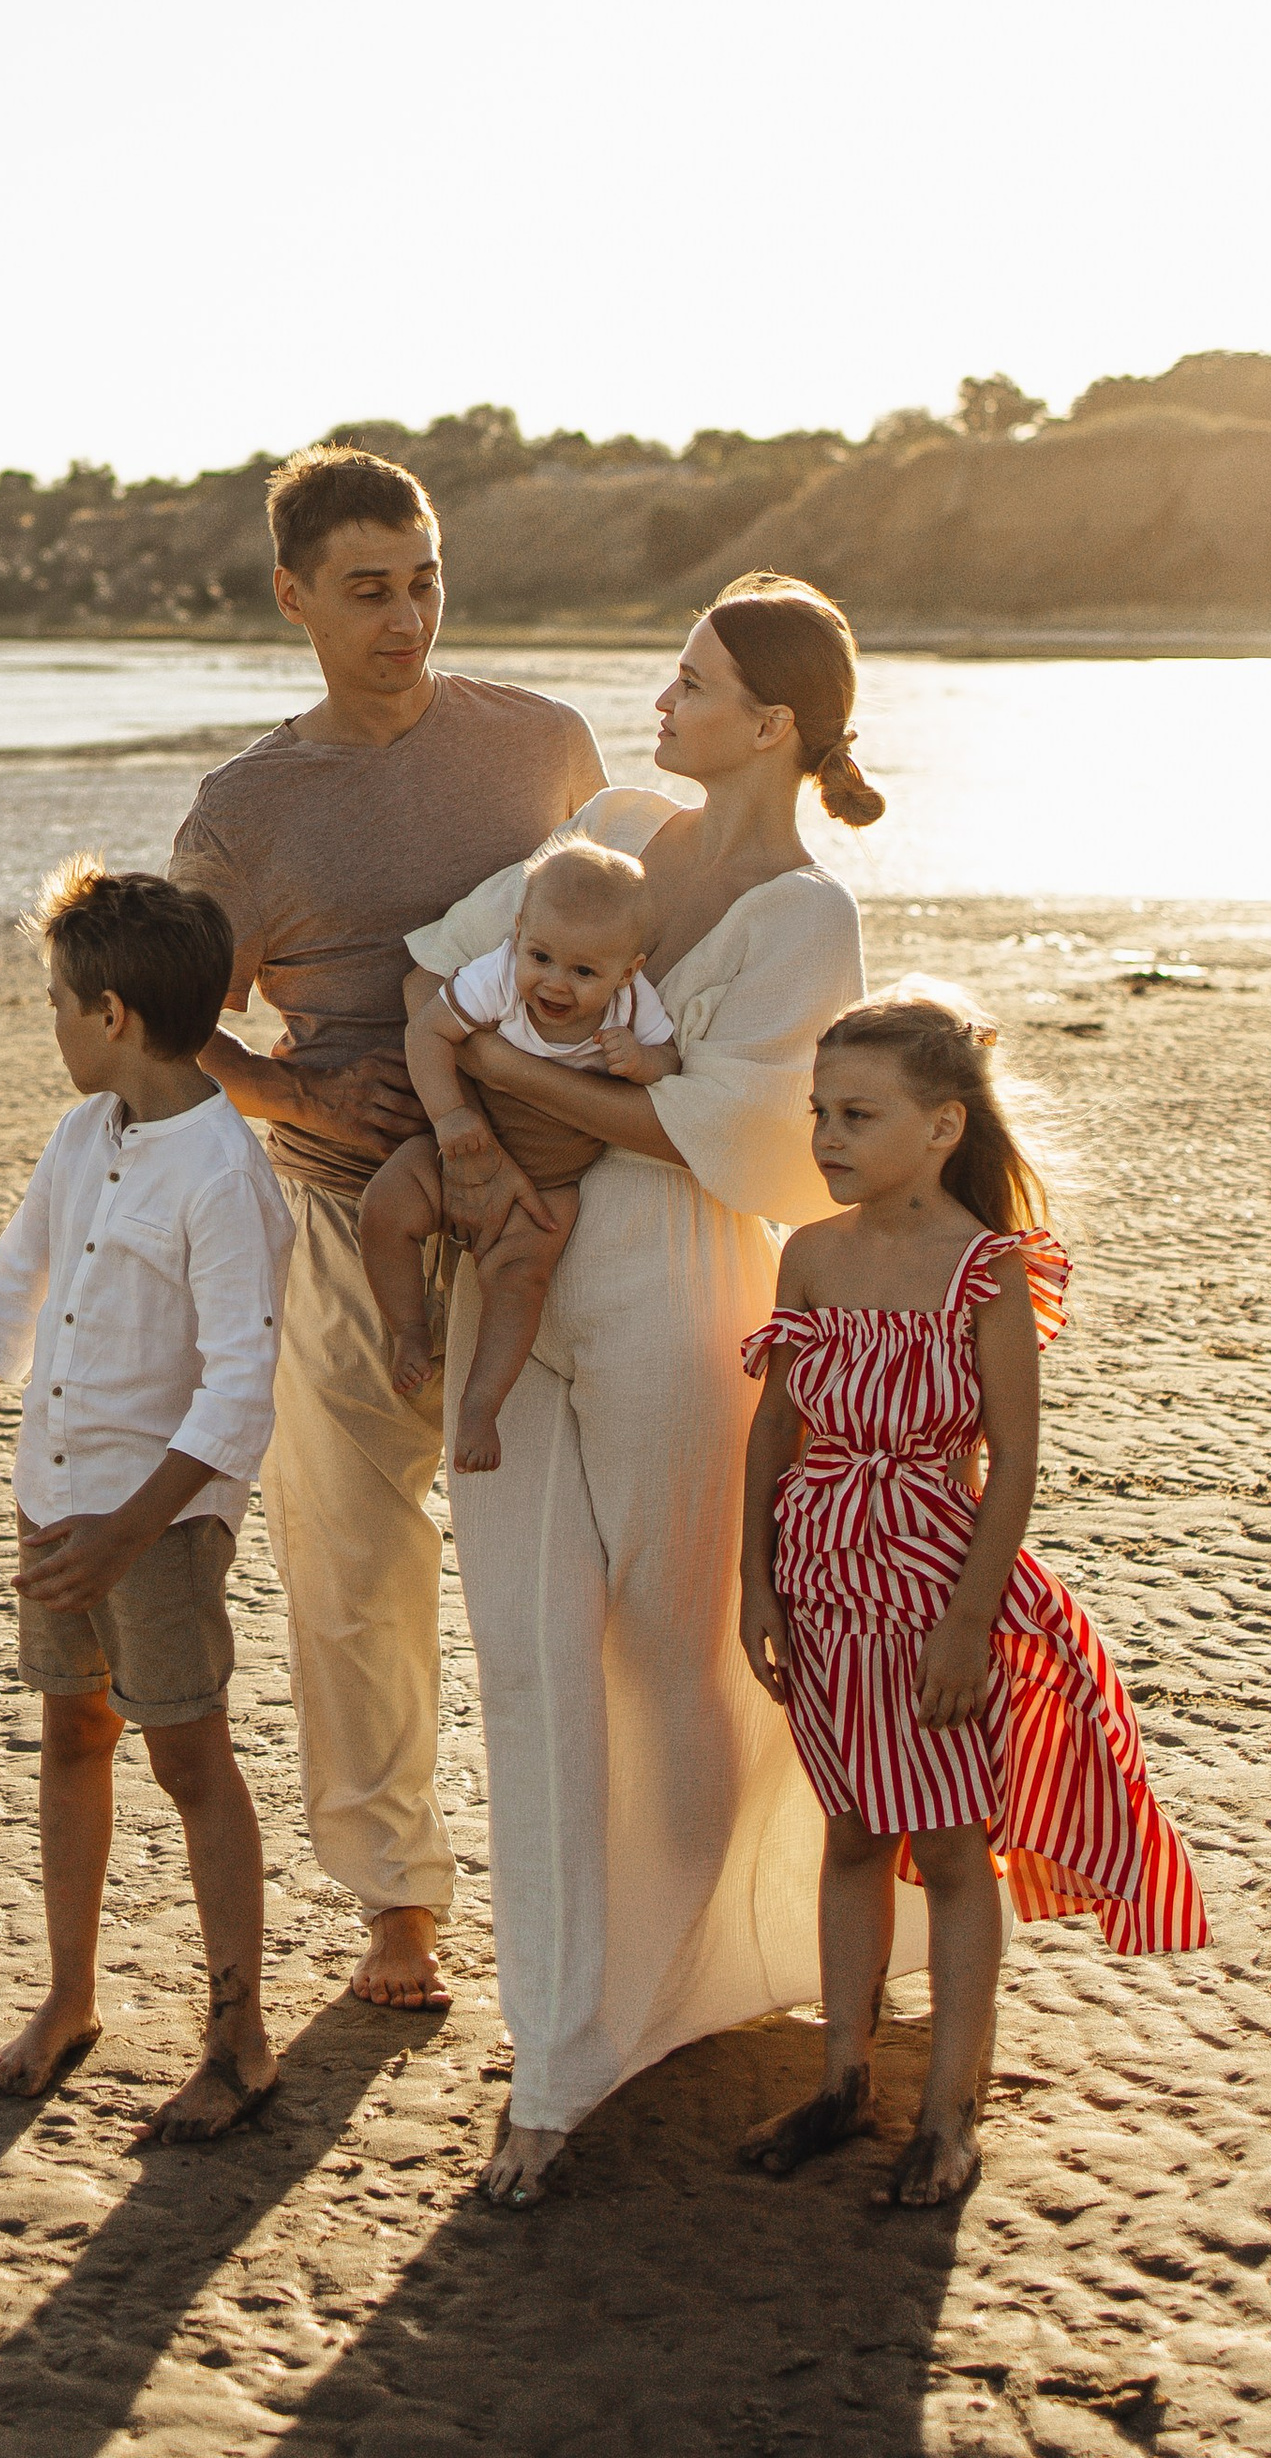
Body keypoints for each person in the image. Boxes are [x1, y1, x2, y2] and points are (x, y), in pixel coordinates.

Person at [401, 571, 882, 2199]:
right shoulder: (608, 818)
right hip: (510, 1272)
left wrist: (512, 1069)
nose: (659, 706)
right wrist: (468, 1127)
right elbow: (442, 976)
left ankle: (706, 1968)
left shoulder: (812, 917)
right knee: (532, 1653)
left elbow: (743, 1141)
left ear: (775, 727)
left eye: (690, 684)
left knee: (684, 1643)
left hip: (685, 1286)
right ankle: (558, 2051)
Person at [170, 446, 604, 2012]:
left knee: (565, 1562)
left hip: (544, 1213)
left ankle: (601, 1890)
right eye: (369, 591)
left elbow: (621, 937)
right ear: (293, 598)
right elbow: (170, 1035)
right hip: (344, 1224)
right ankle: (397, 1907)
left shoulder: (543, 746)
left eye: (425, 580)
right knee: (357, 1579)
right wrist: (291, 1100)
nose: (408, 617)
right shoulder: (243, 813)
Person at [737, 985, 1210, 2206]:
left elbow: (1011, 1464)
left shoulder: (986, 1272)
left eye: (858, 1113)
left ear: (942, 1126)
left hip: (933, 1589)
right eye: (818, 1113)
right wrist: (757, 1583)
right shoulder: (812, 1256)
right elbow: (776, 1426)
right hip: (822, 1582)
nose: (827, 1137)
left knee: (950, 1848)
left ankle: (948, 2115)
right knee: (849, 1829)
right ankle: (843, 2079)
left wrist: (963, 1626)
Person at [0, 860, 296, 2142]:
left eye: (57, 1001)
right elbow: (10, 1292)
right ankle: (69, 1999)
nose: (49, 1022)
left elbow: (239, 1391)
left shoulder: (224, 1172)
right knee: (72, 1741)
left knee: (188, 1758)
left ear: (112, 1015)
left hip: (153, 1526)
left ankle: (239, 2037)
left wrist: (128, 1532)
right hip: (53, 1502)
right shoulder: (82, 1136)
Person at [360, 833, 677, 1473]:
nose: (555, 984)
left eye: (584, 972)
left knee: (520, 1282)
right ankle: (409, 1330)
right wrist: (449, 1116)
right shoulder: (501, 975)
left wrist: (644, 1061)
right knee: (384, 1207)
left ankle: (480, 1405)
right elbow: (429, 1031)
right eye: (541, 957)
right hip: (461, 1147)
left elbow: (669, 1059)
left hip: (549, 1182)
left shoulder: (634, 1007)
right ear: (517, 934)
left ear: (628, 969)